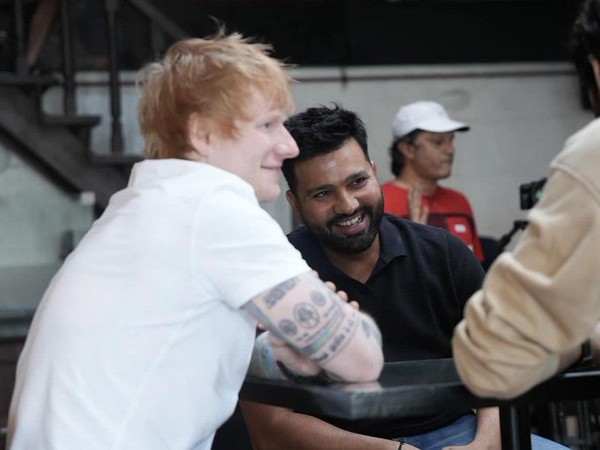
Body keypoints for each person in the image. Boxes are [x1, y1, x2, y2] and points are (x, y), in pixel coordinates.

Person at [6, 33, 384, 449]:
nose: (288, 145)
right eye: (267, 125)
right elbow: (362, 360)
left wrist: (283, 352)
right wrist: (336, 325)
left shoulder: (145, 206)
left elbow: (184, 356)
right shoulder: (214, 208)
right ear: (202, 135)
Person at [240, 105, 565, 450]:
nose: (347, 205)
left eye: (358, 182)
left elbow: (504, 365)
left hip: (459, 433)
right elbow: (269, 427)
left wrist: (481, 446)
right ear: (295, 202)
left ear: (375, 173)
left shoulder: (444, 254)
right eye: (323, 193)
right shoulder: (272, 276)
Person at [451, 0, 600, 399]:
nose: (447, 149)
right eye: (435, 140)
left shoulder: (592, 156)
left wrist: (584, 340)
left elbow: (491, 359)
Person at [381, 101, 484, 263]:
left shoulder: (459, 201)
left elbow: (475, 269)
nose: (450, 150)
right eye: (437, 142)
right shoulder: (380, 203)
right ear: (408, 148)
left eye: (451, 140)